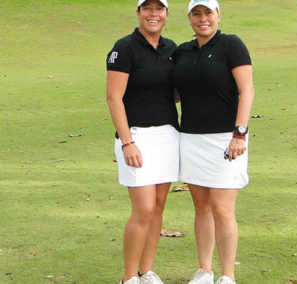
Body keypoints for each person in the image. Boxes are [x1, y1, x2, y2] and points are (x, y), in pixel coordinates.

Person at [172, 0, 254, 283]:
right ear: (189, 18)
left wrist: (239, 133)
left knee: (222, 208)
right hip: (191, 138)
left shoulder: (231, 45)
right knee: (201, 207)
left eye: (208, 12)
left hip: (227, 139)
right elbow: (176, 93)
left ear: (218, 15)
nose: (202, 18)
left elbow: (247, 90)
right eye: (196, 13)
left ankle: (227, 275)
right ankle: (204, 270)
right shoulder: (181, 52)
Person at [106, 0, 179, 283]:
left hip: (168, 135)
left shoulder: (172, 48)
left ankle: (147, 271)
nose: (153, 14)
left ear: (166, 15)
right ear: (138, 13)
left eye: (158, 9)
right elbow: (114, 98)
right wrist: (127, 142)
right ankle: (128, 277)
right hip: (136, 136)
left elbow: (175, 92)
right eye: (147, 8)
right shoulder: (124, 47)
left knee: (158, 206)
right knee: (144, 208)